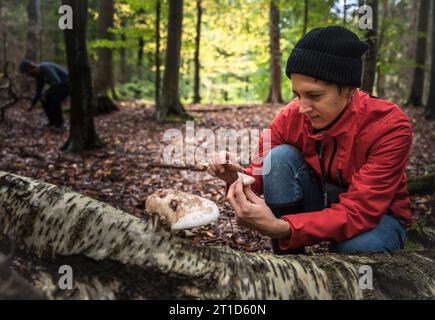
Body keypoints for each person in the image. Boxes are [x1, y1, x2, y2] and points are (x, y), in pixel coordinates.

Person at [208, 26, 412, 255]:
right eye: (297, 95)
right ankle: (289, 263)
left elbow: (360, 211)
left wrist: (281, 228)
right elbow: (260, 170)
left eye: (315, 95)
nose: (302, 108)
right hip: (319, 200)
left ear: (349, 90)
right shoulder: (290, 116)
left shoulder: (390, 126)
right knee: (279, 157)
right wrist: (234, 177)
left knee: (359, 248)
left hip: (377, 215)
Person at [19, 59, 69, 130]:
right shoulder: (39, 76)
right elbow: (38, 91)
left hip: (67, 84)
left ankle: (60, 124)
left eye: (27, 72)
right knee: (44, 99)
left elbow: (56, 82)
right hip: (60, 86)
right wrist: (32, 105)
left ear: (31, 67)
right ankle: (52, 122)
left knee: (53, 98)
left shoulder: (44, 67)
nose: (28, 75)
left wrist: (46, 94)